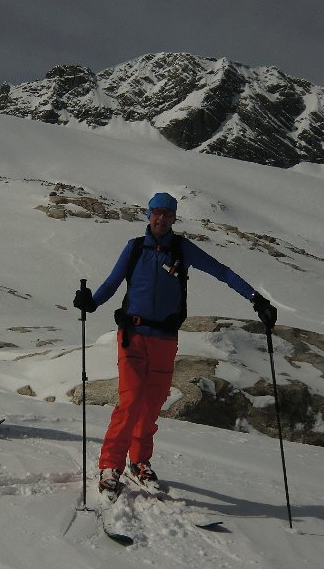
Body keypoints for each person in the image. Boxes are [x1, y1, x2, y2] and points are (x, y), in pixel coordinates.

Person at [73, 192, 277, 497]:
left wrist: (256, 299)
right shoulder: (134, 248)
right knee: (131, 401)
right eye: (157, 212)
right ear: (148, 214)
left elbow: (222, 272)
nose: (162, 218)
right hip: (133, 336)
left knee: (152, 405)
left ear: (174, 218)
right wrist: (91, 303)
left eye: (168, 214)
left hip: (165, 340)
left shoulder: (182, 250)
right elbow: (112, 283)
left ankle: (139, 462)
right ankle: (111, 466)